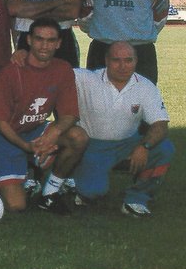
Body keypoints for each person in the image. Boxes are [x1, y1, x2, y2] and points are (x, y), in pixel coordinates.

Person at [0, 18, 87, 214]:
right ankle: (13, 174)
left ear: (59, 43)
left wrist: (53, 132)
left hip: (34, 130)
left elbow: (70, 115)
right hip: (4, 136)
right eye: (39, 39)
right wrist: (26, 147)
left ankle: (49, 193)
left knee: (78, 137)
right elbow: (0, 121)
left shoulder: (63, 69)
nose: (44, 46)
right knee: (16, 205)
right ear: (29, 40)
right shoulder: (11, 72)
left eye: (50, 40)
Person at [73, 41, 174, 217]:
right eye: (116, 60)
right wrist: (22, 55)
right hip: (93, 146)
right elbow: (53, 70)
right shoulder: (87, 79)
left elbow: (160, 125)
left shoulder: (145, 86)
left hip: (128, 143)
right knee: (93, 192)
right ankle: (80, 184)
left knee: (164, 148)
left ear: (136, 61)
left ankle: (136, 199)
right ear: (106, 60)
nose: (122, 66)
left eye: (128, 60)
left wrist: (144, 146)